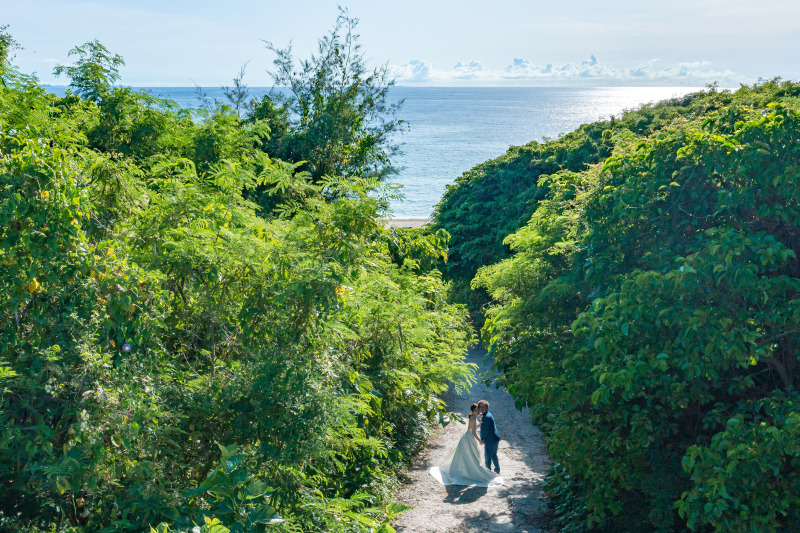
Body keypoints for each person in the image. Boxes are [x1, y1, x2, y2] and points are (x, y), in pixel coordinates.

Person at [429, 403, 503, 487]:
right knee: (471, 455)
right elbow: (473, 432)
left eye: (478, 410)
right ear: (472, 411)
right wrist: (479, 440)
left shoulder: (475, 417)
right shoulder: (472, 417)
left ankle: (471, 470)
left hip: (471, 437)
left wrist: (481, 422)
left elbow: (477, 426)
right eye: (476, 410)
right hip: (469, 437)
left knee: (471, 455)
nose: (478, 411)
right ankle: (469, 472)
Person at [477, 399, 500, 474]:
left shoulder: (486, 417)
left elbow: (485, 431)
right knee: (493, 455)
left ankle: (487, 472)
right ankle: (497, 469)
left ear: (486, 408)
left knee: (488, 457)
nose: (482, 409)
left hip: (490, 440)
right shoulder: (487, 414)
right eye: (480, 407)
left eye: (483, 407)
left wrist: (482, 439)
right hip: (495, 438)